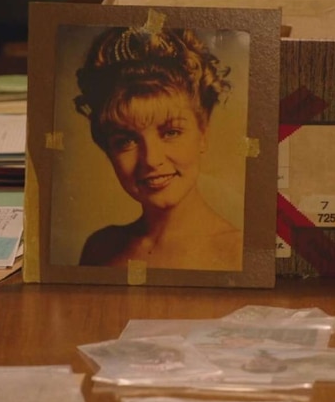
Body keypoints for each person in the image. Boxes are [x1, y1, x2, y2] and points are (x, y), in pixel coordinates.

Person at [73, 20, 243, 271]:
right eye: (126, 141)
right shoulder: (100, 248)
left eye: (171, 132)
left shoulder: (238, 254)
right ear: (107, 150)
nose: (151, 160)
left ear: (203, 133)